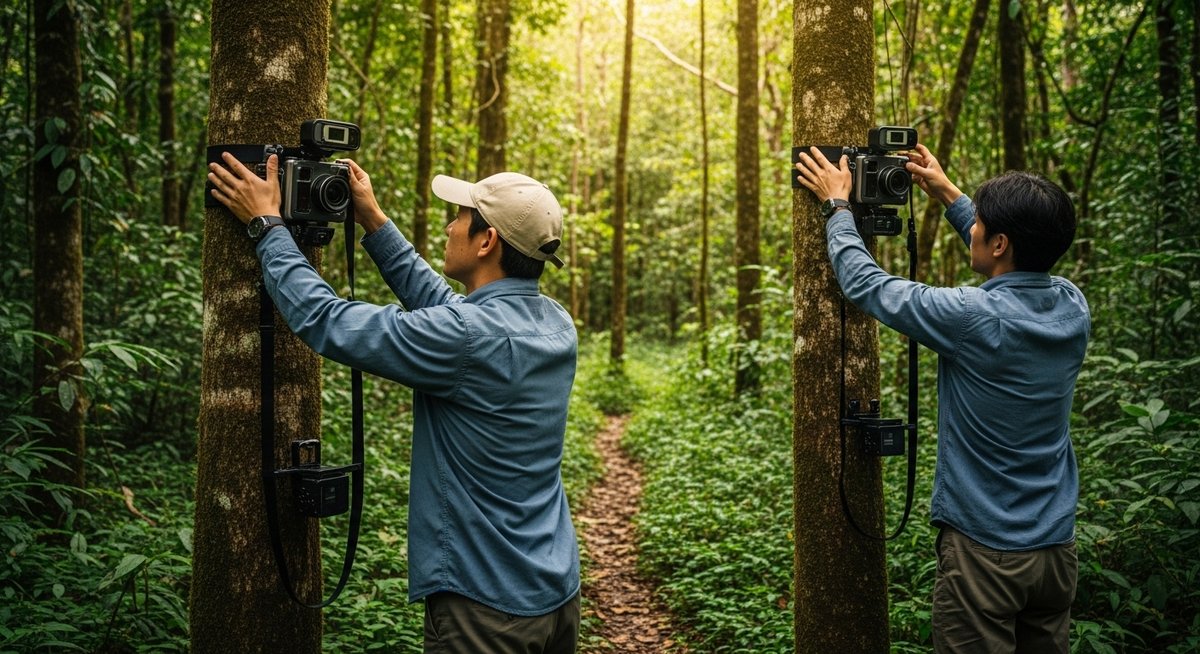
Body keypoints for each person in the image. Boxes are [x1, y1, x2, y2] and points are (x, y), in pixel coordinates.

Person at [207, 152, 581, 654]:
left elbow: (328, 320)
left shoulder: (467, 337)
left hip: (486, 608)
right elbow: (451, 312)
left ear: (486, 241)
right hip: (556, 591)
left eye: (459, 217)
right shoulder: (555, 323)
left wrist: (267, 226)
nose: (449, 227)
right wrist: (374, 220)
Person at [794, 144, 1089, 654]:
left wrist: (837, 206)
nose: (973, 229)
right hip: (1056, 552)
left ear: (1000, 243)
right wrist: (947, 192)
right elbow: (1011, 256)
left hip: (986, 555)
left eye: (981, 225)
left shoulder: (971, 317)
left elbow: (868, 285)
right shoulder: (1072, 305)